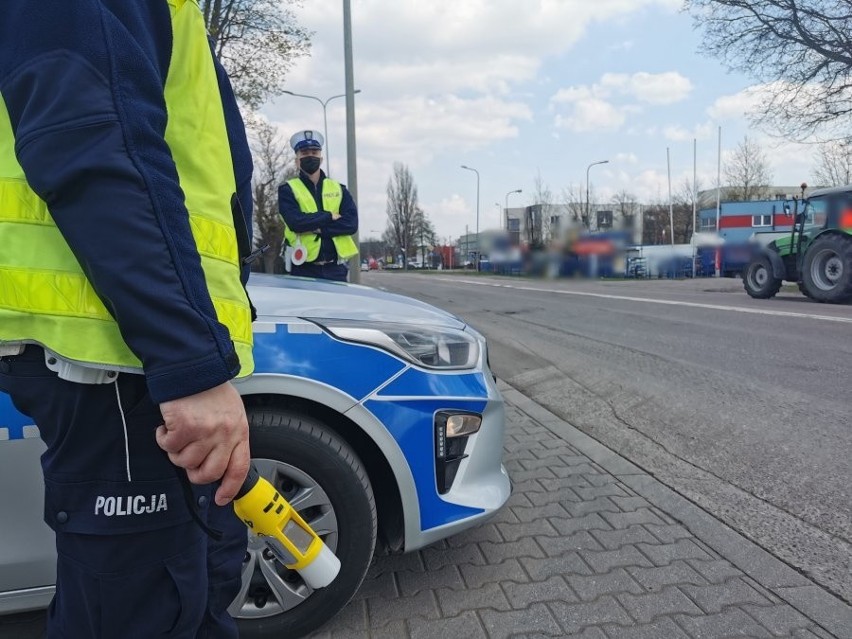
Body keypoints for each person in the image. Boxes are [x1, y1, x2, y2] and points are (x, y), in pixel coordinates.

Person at [0, 2, 256, 637]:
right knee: (144, 607)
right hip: (119, 356)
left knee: (193, 585)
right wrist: (190, 362)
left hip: (138, 354)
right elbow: (91, 133)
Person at [278, 130, 359, 282]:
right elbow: (295, 222)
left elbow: (351, 224)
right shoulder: (287, 190)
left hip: (336, 269)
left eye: (314, 152)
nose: (310, 156)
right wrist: (329, 216)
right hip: (303, 269)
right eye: (305, 153)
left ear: (321, 158)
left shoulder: (339, 189)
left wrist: (318, 228)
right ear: (297, 159)